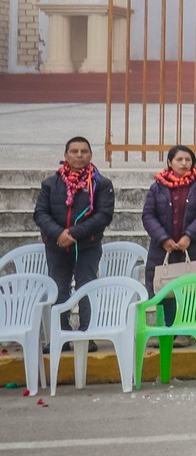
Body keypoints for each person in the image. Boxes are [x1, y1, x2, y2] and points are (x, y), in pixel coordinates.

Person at [35, 136, 113, 327]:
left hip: (87, 246)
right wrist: (59, 234)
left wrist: (74, 234)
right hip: (56, 245)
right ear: (65, 155)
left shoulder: (101, 184)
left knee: (86, 288)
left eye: (84, 151)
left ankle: (89, 333)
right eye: (74, 151)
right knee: (59, 289)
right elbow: (40, 213)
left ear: (91, 155)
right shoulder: (50, 184)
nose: (79, 155)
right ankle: (60, 333)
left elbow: (103, 216)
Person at [141, 145, 196, 283]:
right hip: (162, 250)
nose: (184, 163)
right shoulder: (158, 187)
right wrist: (163, 238)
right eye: (179, 159)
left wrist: (189, 236)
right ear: (170, 162)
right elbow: (148, 215)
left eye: (188, 159)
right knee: (164, 296)